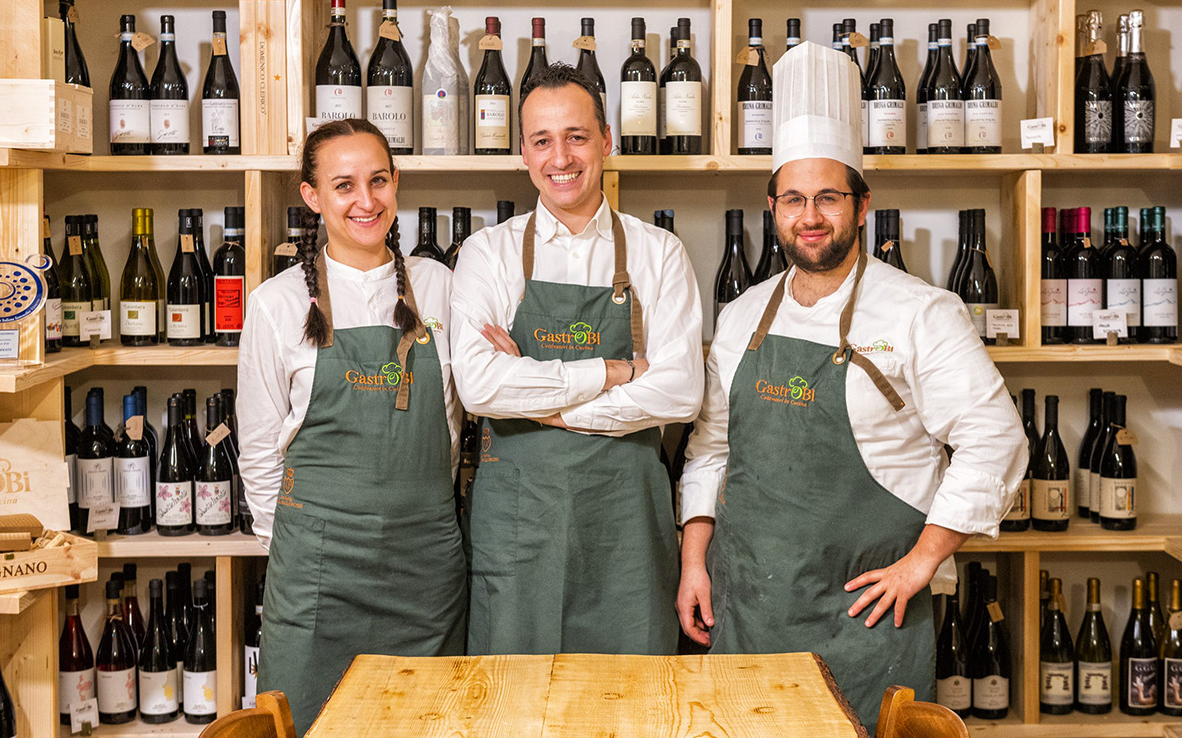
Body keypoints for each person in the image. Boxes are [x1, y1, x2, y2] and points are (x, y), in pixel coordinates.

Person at [675, 42, 1027, 730]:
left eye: (830, 197)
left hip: (864, 625)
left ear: (863, 205)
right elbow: (711, 449)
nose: (811, 216)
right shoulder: (744, 316)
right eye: (795, 198)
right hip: (746, 611)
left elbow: (995, 440)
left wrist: (923, 562)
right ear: (771, 206)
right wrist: (694, 560)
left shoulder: (921, 312)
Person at [450, 63, 703, 655]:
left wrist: (549, 406)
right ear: (522, 152)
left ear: (607, 140)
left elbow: (681, 391)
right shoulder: (487, 253)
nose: (559, 156)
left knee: (632, 704)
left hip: (627, 534)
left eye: (576, 136)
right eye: (542, 140)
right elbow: (481, 388)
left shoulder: (659, 253)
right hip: (519, 534)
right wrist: (613, 373)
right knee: (513, 706)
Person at [238, 119, 466, 734]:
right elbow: (259, 448)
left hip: (425, 563)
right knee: (309, 723)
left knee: (426, 722)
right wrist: (288, 548)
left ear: (396, 184)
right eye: (344, 185)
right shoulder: (276, 303)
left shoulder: (443, 288)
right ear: (312, 197)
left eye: (379, 180)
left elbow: (459, 417)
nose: (366, 201)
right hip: (319, 569)